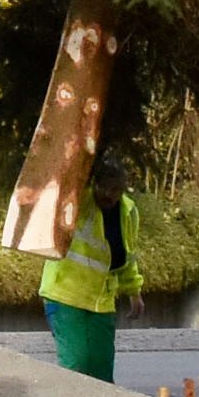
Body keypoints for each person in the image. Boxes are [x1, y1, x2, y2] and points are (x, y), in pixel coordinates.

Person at [37, 149, 147, 383]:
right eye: (104, 187)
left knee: (101, 372)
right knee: (75, 364)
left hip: (101, 301)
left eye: (115, 189)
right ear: (94, 183)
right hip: (65, 295)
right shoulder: (77, 201)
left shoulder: (128, 211)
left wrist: (134, 292)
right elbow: (60, 181)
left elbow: (127, 256)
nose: (109, 195)